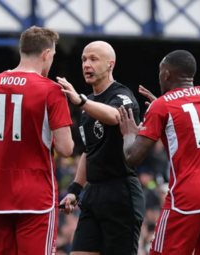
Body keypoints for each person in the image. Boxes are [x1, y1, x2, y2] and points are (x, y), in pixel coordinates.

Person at [117, 50, 200, 255]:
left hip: (188, 198)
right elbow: (189, 133)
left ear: (166, 74)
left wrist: (128, 134)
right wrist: (162, 113)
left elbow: (132, 157)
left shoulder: (162, 106)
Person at [0, 26, 74, 255]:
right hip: (37, 197)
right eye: (53, 56)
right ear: (46, 54)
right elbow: (66, 149)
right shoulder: (52, 90)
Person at [57, 41, 145, 255]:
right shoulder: (89, 107)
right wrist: (75, 191)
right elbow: (89, 151)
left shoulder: (121, 95)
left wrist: (80, 101)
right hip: (93, 194)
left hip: (120, 193)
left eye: (94, 59)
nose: (87, 64)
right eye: (84, 60)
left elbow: (116, 116)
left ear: (110, 65)